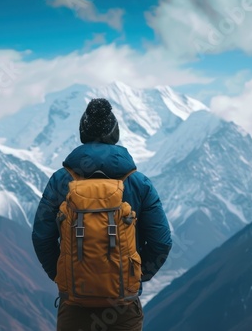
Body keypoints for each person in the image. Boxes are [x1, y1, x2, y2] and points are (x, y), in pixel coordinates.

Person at [32, 98, 172, 331]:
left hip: (75, 306)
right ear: (114, 133)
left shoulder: (60, 181)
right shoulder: (139, 183)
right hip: (122, 307)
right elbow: (161, 242)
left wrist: (64, 277)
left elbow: (41, 237)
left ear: (82, 133)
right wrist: (133, 277)